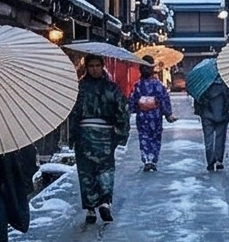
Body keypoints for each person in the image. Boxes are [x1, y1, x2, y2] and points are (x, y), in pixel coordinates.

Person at [69, 57, 127, 223]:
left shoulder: (84, 88)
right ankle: (94, 207)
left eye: (97, 66)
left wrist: (119, 133)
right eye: (91, 66)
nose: (95, 69)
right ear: (87, 67)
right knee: (90, 171)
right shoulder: (82, 89)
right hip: (89, 135)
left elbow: (121, 111)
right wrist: (121, 133)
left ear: (102, 67)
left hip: (100, 135)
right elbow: (122, 113)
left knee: (101, 171)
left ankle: (101, 204)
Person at [128, 64, 173, 170]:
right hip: (154, 115)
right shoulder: (158, 85)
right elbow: (164, 99)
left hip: (144, 115)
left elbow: (132, 100)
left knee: (145, 137)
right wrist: (167, 113)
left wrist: (133, 108)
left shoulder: (137, 85)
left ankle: (148, 159)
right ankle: (151, 159)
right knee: (154, 138)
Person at [192, 70, 229, 172]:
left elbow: (197, 99)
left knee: (208, 139)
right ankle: (219, 160)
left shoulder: (202, 85)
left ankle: (210, 161)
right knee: (220, 138)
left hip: (207, 115)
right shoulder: (224, 84)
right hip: (222, 115)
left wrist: (199, 110)